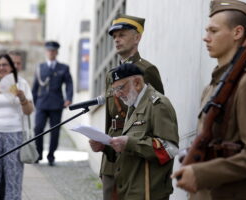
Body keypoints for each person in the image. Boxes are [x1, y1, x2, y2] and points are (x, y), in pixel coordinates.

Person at [171, 1, 246, 199]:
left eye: (213, 31)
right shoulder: (211, 88)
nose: (205, 37)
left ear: (237, 33)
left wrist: (201, 173)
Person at [90, 14, 164, 200]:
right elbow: (110, 116)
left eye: (122, 35)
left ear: (137, 37)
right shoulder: (111, 75)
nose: (116, 40)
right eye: (114, 36)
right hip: (112, 152)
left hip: (134, 150)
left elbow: (157, 112)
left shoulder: (147, 71)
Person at [92, 63, 179, 199]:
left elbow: (170, 149)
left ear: (137, 83)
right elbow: (129, 150)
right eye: (115, 90)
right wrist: (106, 147)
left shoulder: (158, 105)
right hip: (129, 190)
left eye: (120, 88)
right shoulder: (133, 106)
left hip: (147, 193)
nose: (118, 95)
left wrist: (130, 143)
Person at [0, 54, 34, 200]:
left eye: (4, 64)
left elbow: (29, 111)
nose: (1, 68)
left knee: (14, 175)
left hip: (15, 133)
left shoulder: (21, 83)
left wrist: (22, 98)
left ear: (11, 67)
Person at [32, 41, 73, 166]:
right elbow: (35, 87)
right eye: (49, 50)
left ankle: (51, 155)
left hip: (56, 104)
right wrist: (34, 102)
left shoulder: (63, 68)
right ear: (46, 52)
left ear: (56, 52)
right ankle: (38, 154)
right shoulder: (40, 67)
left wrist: (68, 98)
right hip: (42, 103)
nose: (51, 53)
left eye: (53, 51)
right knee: (38, 129)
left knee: (54, 131)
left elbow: (69, 84)